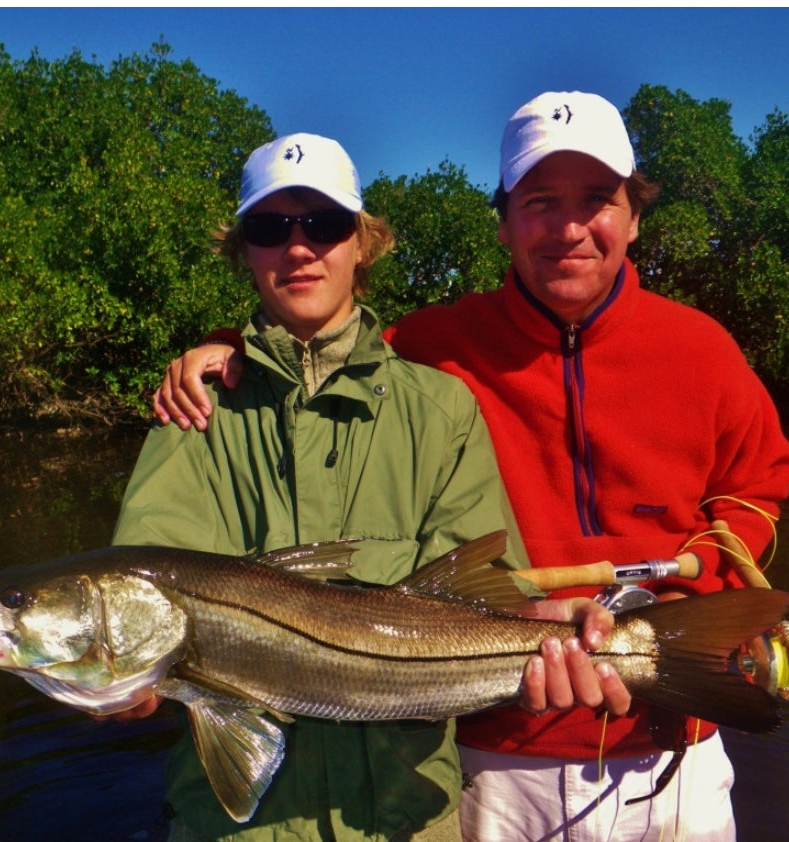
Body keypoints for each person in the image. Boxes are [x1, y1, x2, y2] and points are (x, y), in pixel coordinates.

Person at [152, 92, 789, 841]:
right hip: (500, 750)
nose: (566, 228)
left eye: (595, 200)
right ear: (502, 222)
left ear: (633, 216)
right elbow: (318, 342)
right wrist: (224, 347)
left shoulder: (704, 348)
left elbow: (756, 489)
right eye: (538, 202)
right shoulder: (432, 346)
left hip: (671, 743)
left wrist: (709, 579)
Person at [111, 131, 627, 842]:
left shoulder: (440, 408)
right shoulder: (192, 412)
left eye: (324, 225)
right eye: (269, 228)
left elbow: (484, 591)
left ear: (363, 243)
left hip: (406, 819)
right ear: (244, 253)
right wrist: (117, 685)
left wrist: (544, 633)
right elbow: (137, 606)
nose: (298, 248)